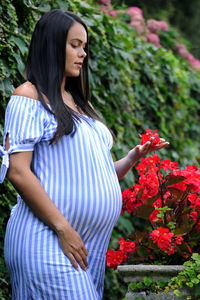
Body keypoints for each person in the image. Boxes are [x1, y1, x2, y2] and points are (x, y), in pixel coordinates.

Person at [0, 9, 169, 300]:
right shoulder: (28, 96)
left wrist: (131, 158)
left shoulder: (81, 104)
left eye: (84, 47)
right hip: (48, 237)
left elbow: (89, 175)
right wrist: (63, 228)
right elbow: (18, 171)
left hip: (85, 245)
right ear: (52, 45)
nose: (83, 54)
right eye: (74, 45)